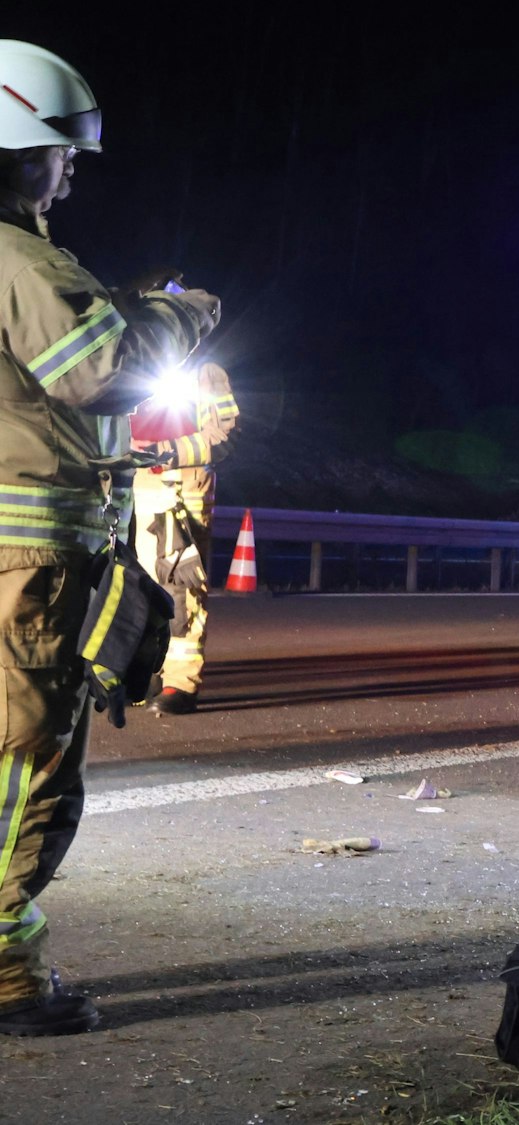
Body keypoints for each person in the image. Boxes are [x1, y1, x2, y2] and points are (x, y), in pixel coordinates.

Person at [0, 40, 219, 1036]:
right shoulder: (19, 258)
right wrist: (176, 318)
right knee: (25, 763)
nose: (73, 166)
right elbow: (100, 371)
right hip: (27, 568)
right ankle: (4, 975)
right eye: (60, 148)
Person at [131, 362, 240, 715]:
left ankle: (182, 680)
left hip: (184, 487)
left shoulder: (206, 374)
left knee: (183, 585)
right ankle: (153, 669)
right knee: (144, 585)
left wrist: (168, 451)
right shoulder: (134, 358)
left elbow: (225, 438)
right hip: (141, 485)